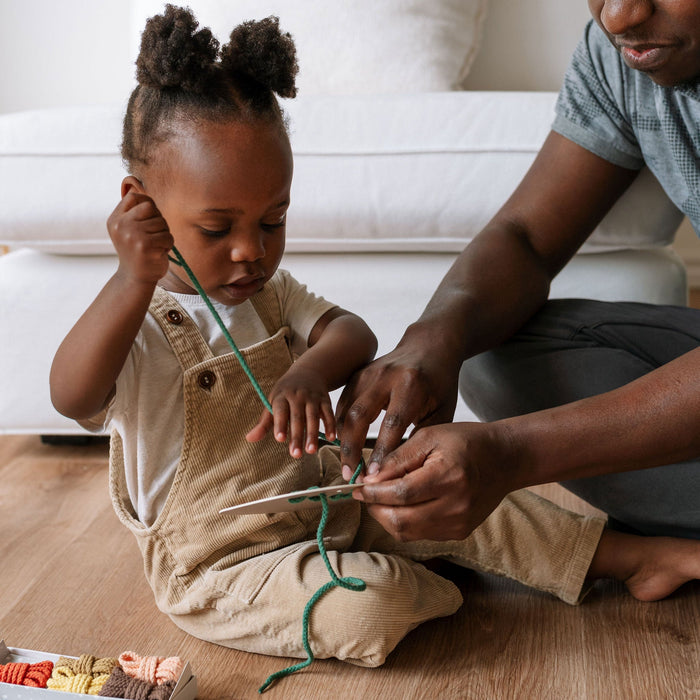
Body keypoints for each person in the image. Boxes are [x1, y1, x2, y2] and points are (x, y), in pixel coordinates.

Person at [49, 4, 699, 673]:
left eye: (272, 222)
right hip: (223, 561)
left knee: (487, 503)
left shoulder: (272, 293)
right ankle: (415, 575)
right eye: (218, 230)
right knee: (368, 601)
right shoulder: (141, 316)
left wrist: (307, 373)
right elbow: (74, 394)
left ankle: (631, 555)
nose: (250, 251)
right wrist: (131, 280)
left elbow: (350, 334)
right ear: (140, 205)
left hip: (323, 500)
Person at [337, 0, 700, 549]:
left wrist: (511, 454)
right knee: (491, 352)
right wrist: (432, 338)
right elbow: (526, 237)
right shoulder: (619, 57)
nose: (620, 16)